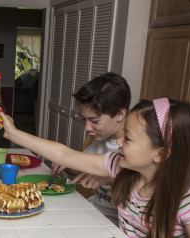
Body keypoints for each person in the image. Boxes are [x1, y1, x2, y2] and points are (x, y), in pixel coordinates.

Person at [0, 98, 190, 237]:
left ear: (160, 153)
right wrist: (13, 134)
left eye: (127, 138)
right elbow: (65, 154)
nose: (118, 142)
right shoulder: (120, 167)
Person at [51, 72, 130, 226]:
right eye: (83, 119)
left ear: (120, 114)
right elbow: (83, 169)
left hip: (117, 223)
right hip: (94, 210)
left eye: (94, 120)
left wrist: (109, 178)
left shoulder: (137, 146)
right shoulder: (102, 137)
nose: (87, 127)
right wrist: (69, 164)